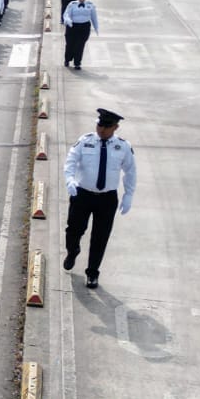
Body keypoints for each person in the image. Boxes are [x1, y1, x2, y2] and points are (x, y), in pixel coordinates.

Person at [63, 107, 136, 290]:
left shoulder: (123, 146)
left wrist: (128, 195)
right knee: (73, 230)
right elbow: (70, 162)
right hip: (82, 194)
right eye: (99, 125)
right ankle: (73, 251)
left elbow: (130, 172)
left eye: (106, 127)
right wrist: (70, 180)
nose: (101, 130)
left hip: (107, 199)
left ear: (115, 127)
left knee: (100, 237)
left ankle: (92, 273)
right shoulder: (85, 141)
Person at [62, 0, 99, 70]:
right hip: (72, 27)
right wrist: (68, 21)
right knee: (70, 44)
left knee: (80, 45)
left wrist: (96, 28)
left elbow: (94, 17)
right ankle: (67, 59)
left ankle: (77, 63)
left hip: (84, 27)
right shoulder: (72, 4)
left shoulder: (90, 5)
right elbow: (66, 14)